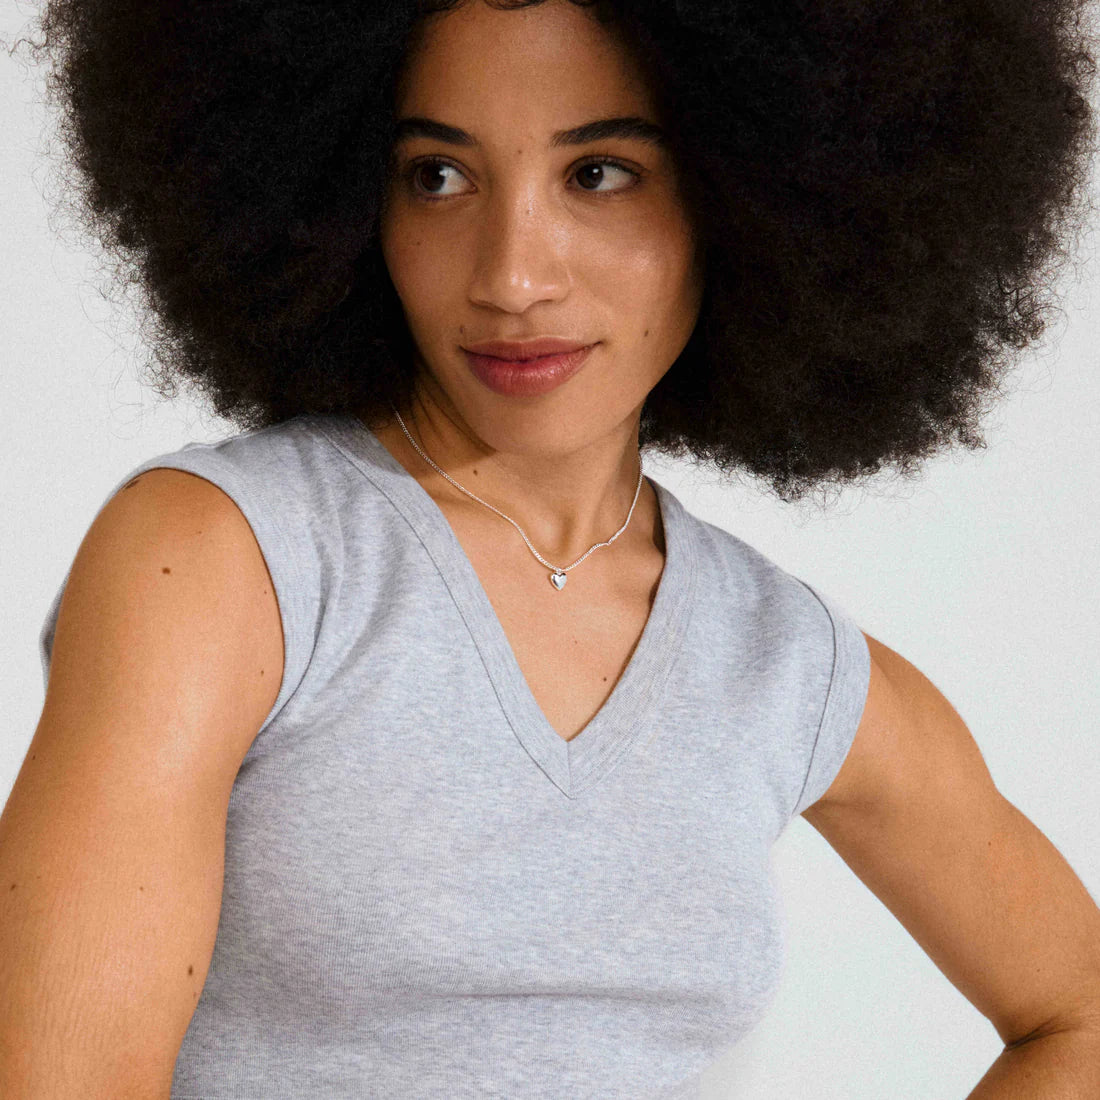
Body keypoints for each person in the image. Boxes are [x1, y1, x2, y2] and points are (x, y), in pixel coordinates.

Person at [3, 0, 1100, 1096]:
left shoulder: (780, 662)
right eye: (438, 175)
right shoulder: (230, 562)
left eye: (599, 173)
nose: (511, 276)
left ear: (746, 199)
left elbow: (1077, 1015)